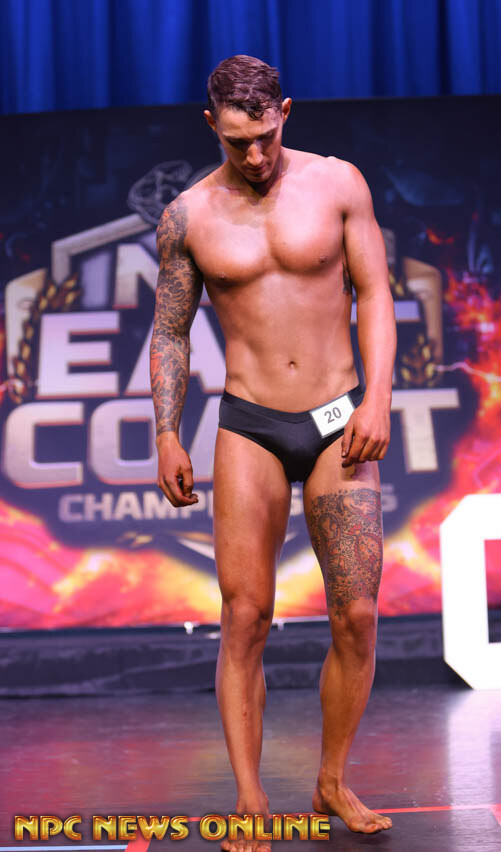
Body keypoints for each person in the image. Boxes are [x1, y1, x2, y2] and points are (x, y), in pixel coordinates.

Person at [150, 55, 396, 852]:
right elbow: (170, 331)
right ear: (210, 125)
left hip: (338, 418)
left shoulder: (338, 184)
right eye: (236, 142)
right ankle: (251, 798)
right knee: (246, 617)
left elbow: (376, 293)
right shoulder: (188, 215)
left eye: (265, 136)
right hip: (250, 424)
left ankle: (332, 780)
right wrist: (166, 431)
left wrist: (379, 398)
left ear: (285, 111)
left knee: (356, 614)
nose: (254, 155)